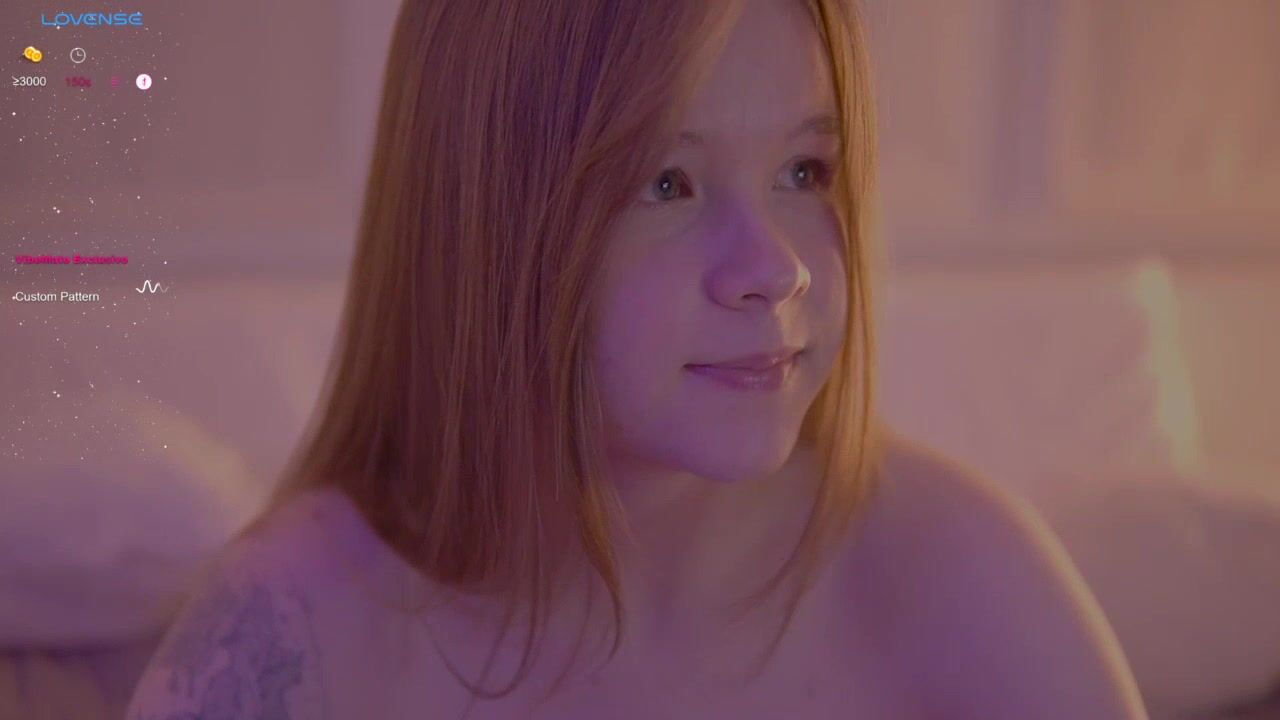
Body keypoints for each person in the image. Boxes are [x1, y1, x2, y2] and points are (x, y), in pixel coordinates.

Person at [127, 0, 1150, 717]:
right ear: (487, 229)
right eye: (667, 183)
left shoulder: (961, 575)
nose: (776, 269)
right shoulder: (290, 632)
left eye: (805, 170)